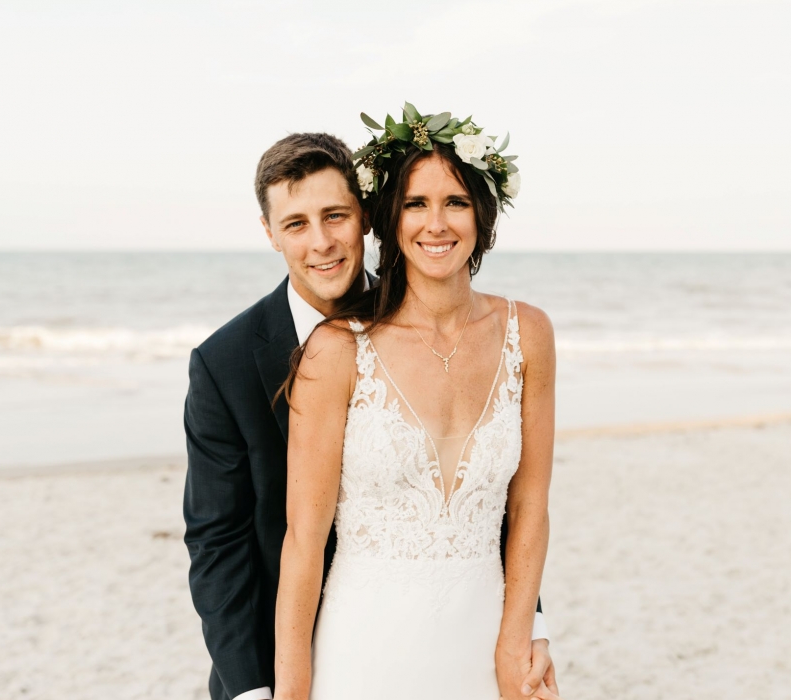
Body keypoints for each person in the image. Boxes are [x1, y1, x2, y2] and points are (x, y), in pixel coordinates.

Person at [182, 131, 558, 700]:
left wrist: (529, 628)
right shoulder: (224, 363)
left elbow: (504, 504)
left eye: (336, 216)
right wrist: (263, 690)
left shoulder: (465, 315)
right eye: (296, 224)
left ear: (365, 218)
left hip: (474, 628)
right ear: (270, 233)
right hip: (307, 651)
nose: (322, 242)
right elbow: (220, 542)